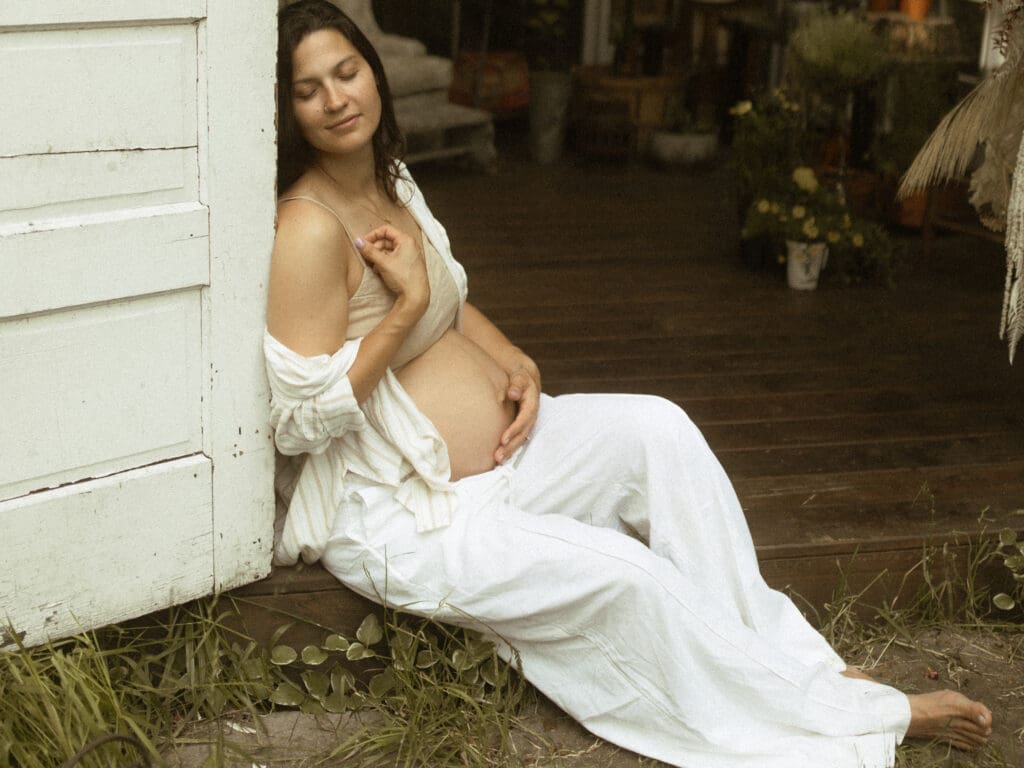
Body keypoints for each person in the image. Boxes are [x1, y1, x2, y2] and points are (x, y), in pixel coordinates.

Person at [264, 2, 994, 765]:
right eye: (308, 88)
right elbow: (300, 419)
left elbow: (447, 298)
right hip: (407, 515)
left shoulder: (391, 179)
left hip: (503, 462)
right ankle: (862, 714)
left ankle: (805, 665)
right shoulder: (308, 227)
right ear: (287, 109)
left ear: (374, 76)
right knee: (628, 575)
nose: (337, 98)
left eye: (347, 73)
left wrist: (512, 356)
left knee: (659, 429)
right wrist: (405, 304)